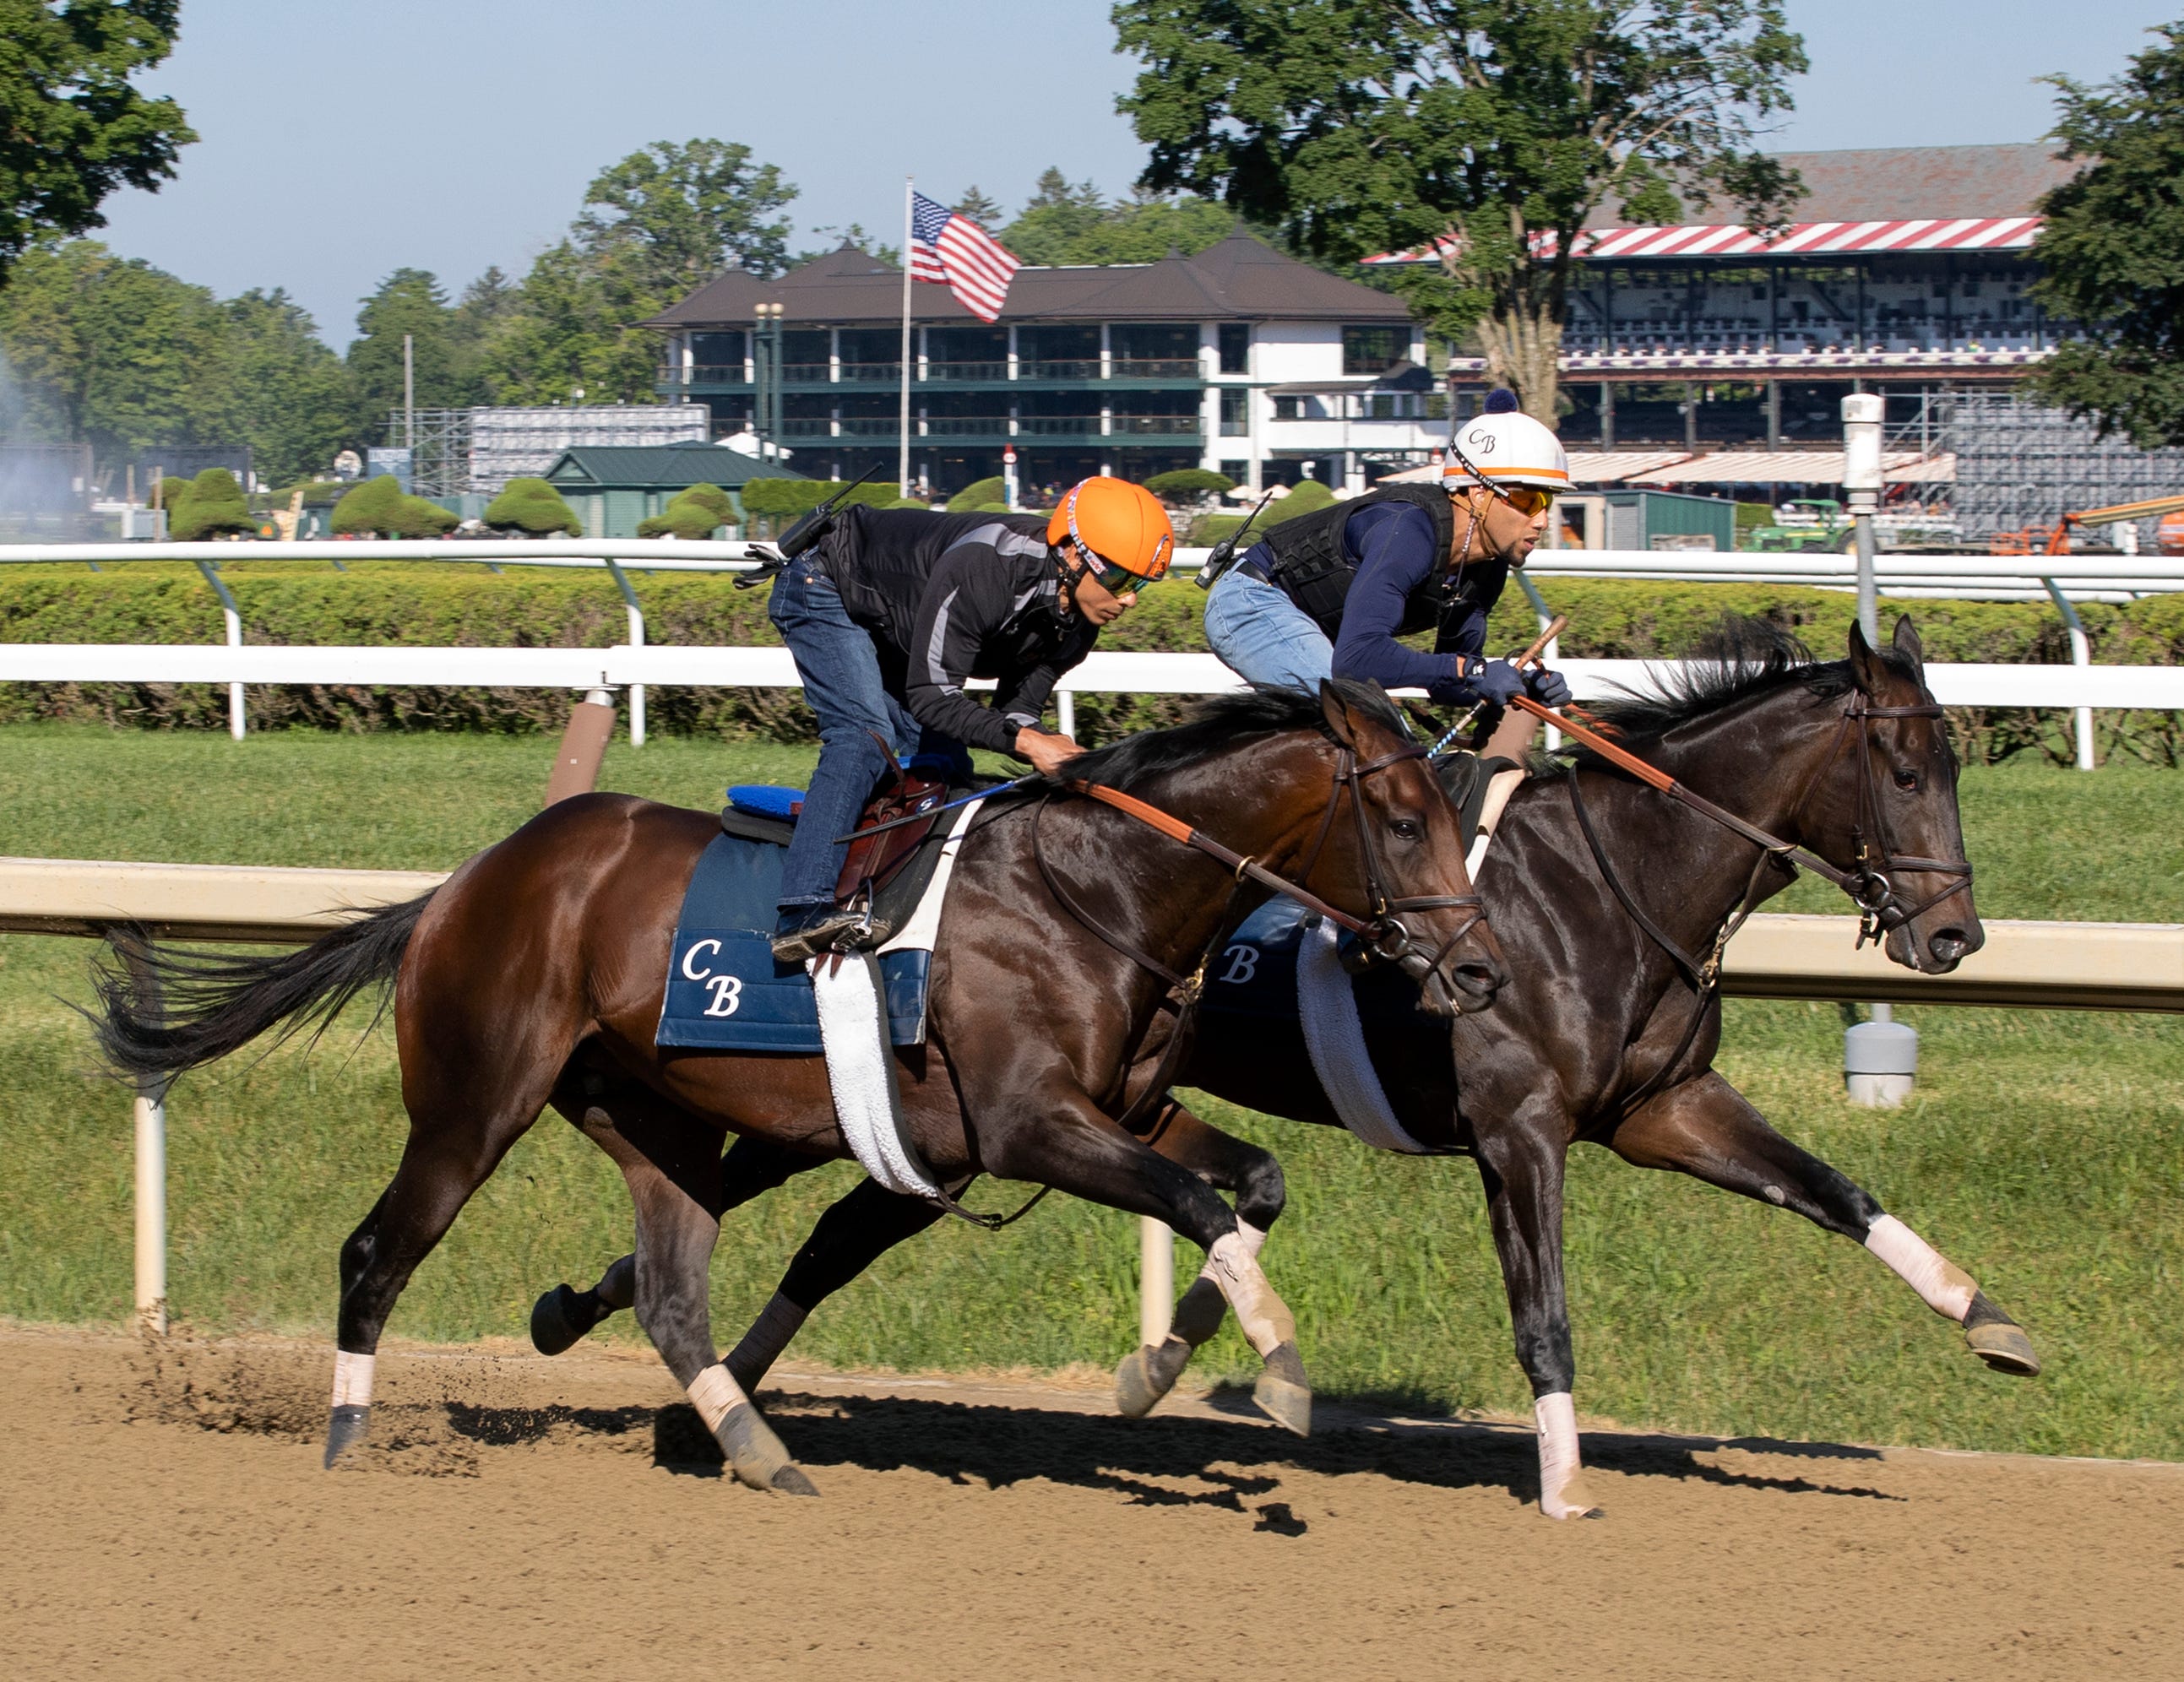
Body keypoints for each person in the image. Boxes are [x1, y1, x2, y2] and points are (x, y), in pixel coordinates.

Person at [766, 475, 1174, 962]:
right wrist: (1028, 744)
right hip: (826, 582)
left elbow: (1016, 712)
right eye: (1121, 580)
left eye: (1141, 586)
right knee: (863, 737)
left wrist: (1053, 746)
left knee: (947, 763)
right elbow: (934, 697)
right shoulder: (986, 567)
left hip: (895, 617)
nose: (1128, 599)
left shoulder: (1079, 624)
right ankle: (802, 908)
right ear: (1072, 554)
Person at [1203, 388, 1572, 719]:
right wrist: (1473, 670)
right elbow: (1359, 660)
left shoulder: (1487, 569)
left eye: (1548, 502)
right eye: (1527, 500)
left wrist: (1517, 684)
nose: (1541, 520)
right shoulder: (1408, 533)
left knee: (1384, 743)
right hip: (1250, 600)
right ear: (1477, 494)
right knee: (1372, 728)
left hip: (1316, 629)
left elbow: (1446, 684)